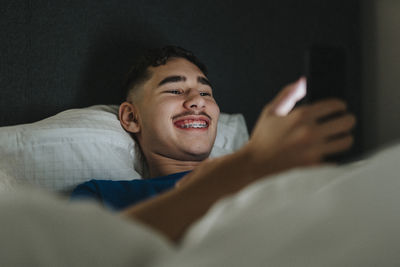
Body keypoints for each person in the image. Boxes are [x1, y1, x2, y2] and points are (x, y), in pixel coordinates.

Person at [71, 45, 356, 242]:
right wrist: (246, 165)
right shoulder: (100, 197)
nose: (197, 101)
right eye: (175, 89)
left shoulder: (270, 173)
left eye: (206, 93)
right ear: (131, 117)